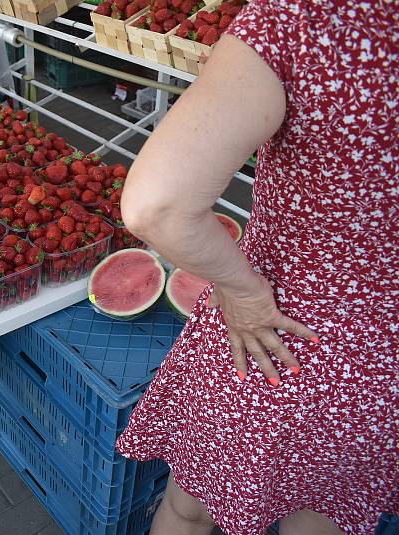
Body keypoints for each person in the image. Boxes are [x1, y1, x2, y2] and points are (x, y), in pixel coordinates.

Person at [115, 1, 398, 534]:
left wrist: (242, 291)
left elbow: (158, 205)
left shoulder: (304, 20)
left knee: (189, 512)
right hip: (379, 366)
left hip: (272, 341)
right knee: (320, 523)